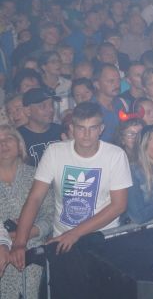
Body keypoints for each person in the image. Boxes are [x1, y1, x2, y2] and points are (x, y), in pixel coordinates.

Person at [11, 102, 132, 299]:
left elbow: (119, 205)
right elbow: (35, 198)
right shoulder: (55, 152)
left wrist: (74, 233)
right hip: (63, 242)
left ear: (101, 129)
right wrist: (20, 242)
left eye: (92, 128)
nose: (87, 134)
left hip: (102, 240)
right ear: (72, 128)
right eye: (81, 128)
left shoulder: (115, 155)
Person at [0, 125, 53, 299]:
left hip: (35, 257)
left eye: (8, 138)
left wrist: (29, 232)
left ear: (19, 144)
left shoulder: (38, 176)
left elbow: (50, 214)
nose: (3, 143)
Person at [18, 87, 63, 166]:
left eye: (52, 104)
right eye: (43, 106)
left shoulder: (61, 131)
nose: (51, 110)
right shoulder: (18, 137)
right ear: (28, 111)